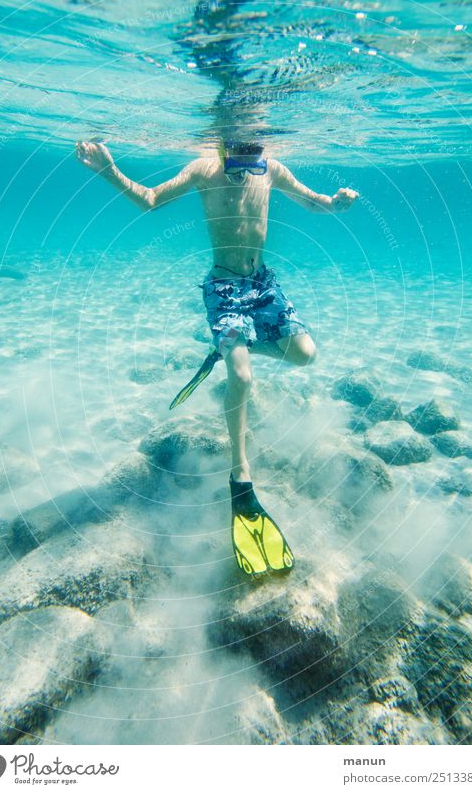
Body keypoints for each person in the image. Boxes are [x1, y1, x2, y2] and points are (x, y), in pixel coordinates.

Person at [76, 138, 358, 576]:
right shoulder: (202, 170)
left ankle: (227, 347)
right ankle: (240, 476)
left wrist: (335, 204)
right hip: (225, 290)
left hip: (263, 285)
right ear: (225, 148)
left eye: (254, 158)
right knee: (242, 378)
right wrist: (108, 172)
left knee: (305, 354)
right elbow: (151, 200)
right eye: (240, 158)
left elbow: (312, 203)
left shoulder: (273, 168)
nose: (247, 168)